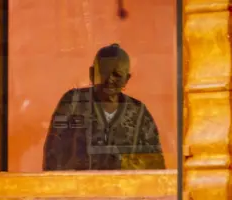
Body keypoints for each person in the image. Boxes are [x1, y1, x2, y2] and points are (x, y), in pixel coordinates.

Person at [42, 43, 165, 171]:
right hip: (79, 188)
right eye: (104, 73)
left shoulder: (139, 112)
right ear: (91, 73)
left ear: (126, 79)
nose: (110, 79)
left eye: (117, 75)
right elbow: (53, 152)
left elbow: (155, 163)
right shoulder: (72, 102)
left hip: (125, 189)